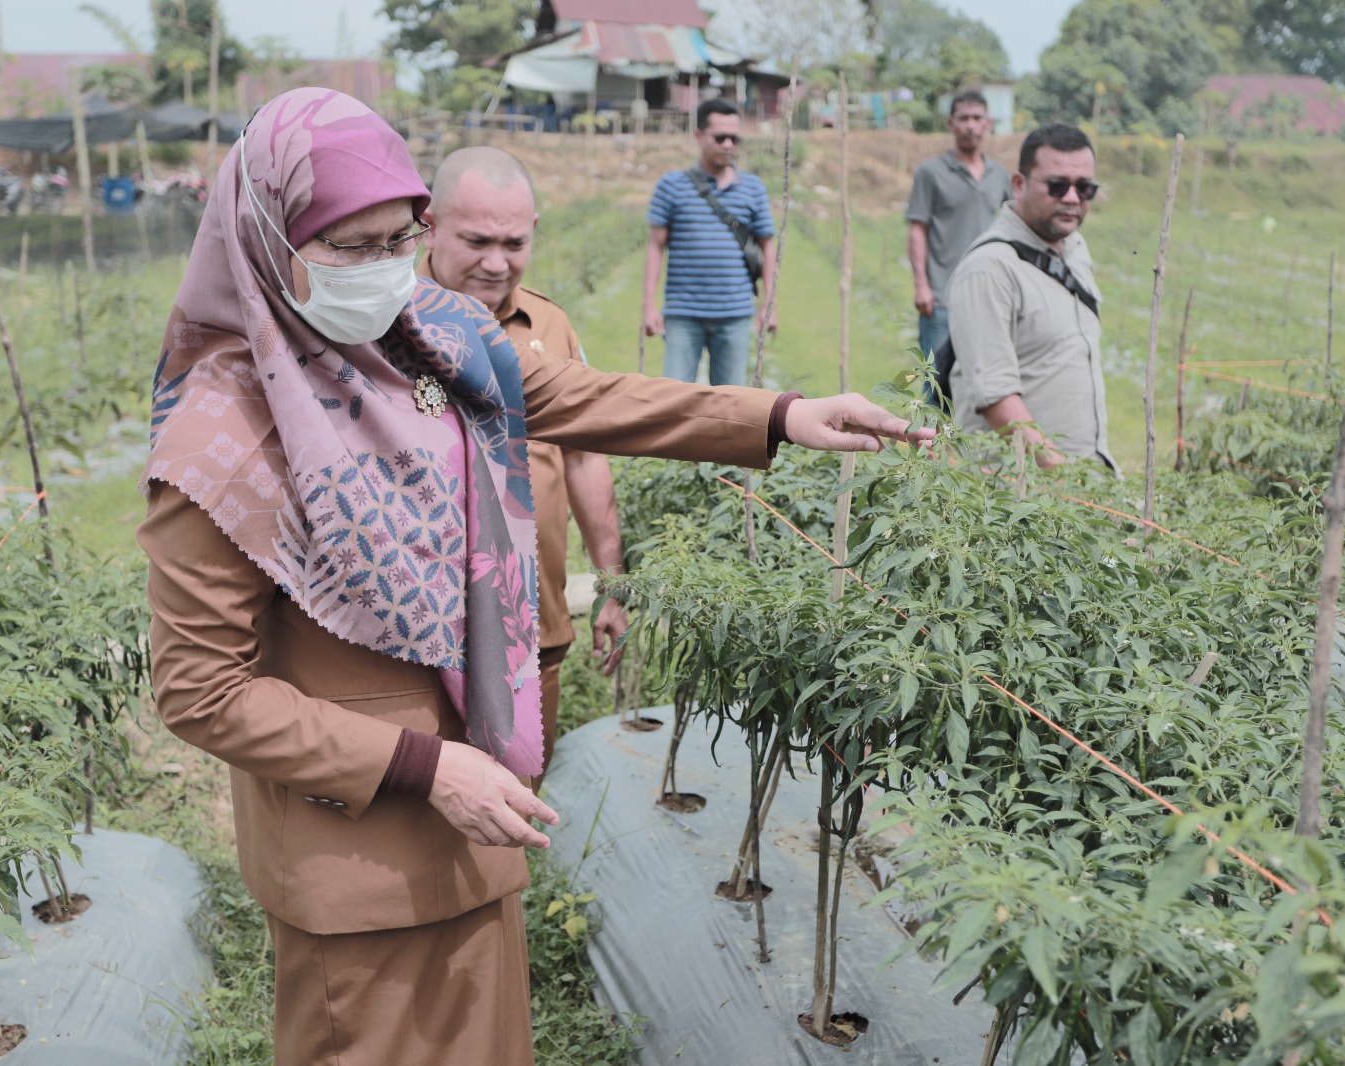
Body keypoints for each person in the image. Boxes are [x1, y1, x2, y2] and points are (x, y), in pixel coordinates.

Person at [136, 87, 930, 1066]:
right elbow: (201, 691)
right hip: (359, 858)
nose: (385, 270)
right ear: (266, 238)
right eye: (349, 246)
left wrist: (775, 416)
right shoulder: (219, 442)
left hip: (478, 824)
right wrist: (426, 766)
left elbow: (575, 394)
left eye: (399, 238)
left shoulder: (423, 336)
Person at [419, 145, 626, 790]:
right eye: (476, 240)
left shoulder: (550, 326)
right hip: (425, 626)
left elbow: (585, 454)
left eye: (513, 243)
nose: (495, 263)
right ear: (429, 222)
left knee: (519, 787)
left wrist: (612, 580)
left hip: (534, 616)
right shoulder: (383, 324)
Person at [947, 122, 1115, 470]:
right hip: (1019, 498)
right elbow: (996, 397)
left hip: (1076, 490)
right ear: (1019, 184)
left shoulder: (1075, 249)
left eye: (1084, 188)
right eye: (1057, 186)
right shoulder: (990, 268)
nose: (1071, 198)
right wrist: (1066, 478)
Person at [642, 97, 777, 386]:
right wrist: (649, 306)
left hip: (735, 314)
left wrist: (769, 304)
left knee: (730, 404)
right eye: (720, 137)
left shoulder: (753, 188)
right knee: (676, 398)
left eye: (734, 138)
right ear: (698, 135)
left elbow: (767, 246)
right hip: (682, 313)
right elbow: (656, 245)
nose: (728, 144)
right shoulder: (671, 185)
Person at [905, 89, 1014, 408]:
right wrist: (921, 284)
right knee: (936, 387)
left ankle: (964, 456)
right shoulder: (931, 172)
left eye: (977, 118)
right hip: (941, 297)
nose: (971, 125)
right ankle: (926, 454)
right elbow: (917, 229)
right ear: (950, 123)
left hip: (987, 295)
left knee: (985, 382)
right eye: (964, 118)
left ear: (988, 124)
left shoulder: (999, 175)